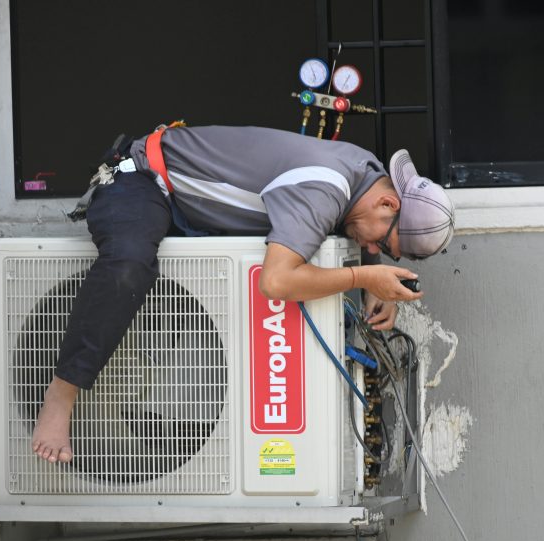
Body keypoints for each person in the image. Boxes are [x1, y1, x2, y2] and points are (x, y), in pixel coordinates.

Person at [32, 125, 455, 464]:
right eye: (386, 241)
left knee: (176, 311)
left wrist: (373, 264)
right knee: (128, 265)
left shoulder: (367, 170)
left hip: (190, 212)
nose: (378, 248)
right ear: (387, 202)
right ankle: (61, 395)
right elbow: (276, 282)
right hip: (142, 179)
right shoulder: (324, 188)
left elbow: (366, 227)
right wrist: (363, 277)